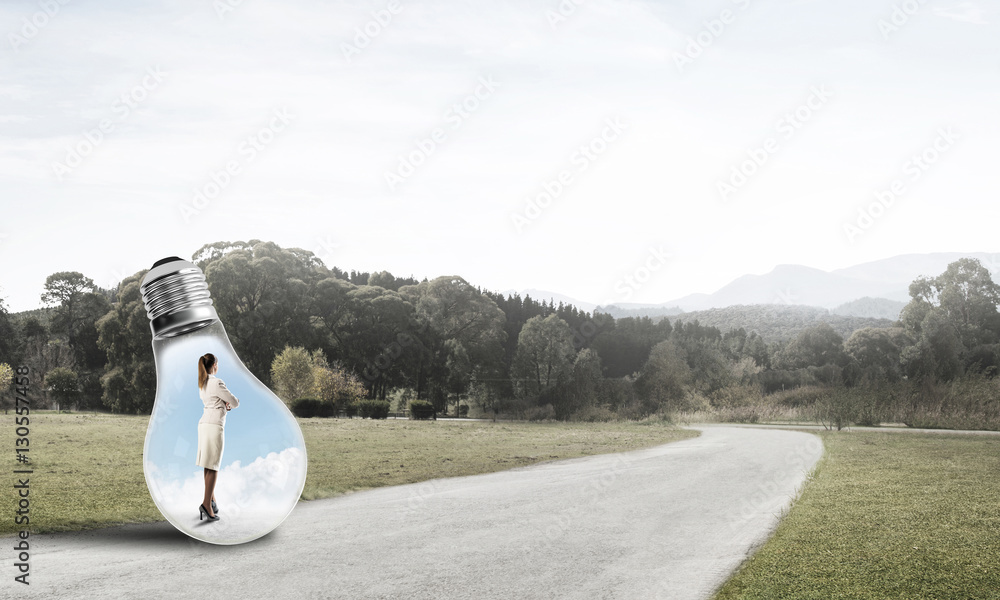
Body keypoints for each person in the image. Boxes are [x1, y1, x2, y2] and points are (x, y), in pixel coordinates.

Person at [196, 353, 239, 522]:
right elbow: (234, 402)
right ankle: (206, 504)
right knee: (213, 466)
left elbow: (214, 402)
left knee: (207, 464)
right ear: (214, 365)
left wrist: (223, 404)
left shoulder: (202, 383)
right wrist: (228, 404)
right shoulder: (216, 382)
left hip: (204, 425)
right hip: (214, 426)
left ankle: (212, 500)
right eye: (217, 364)